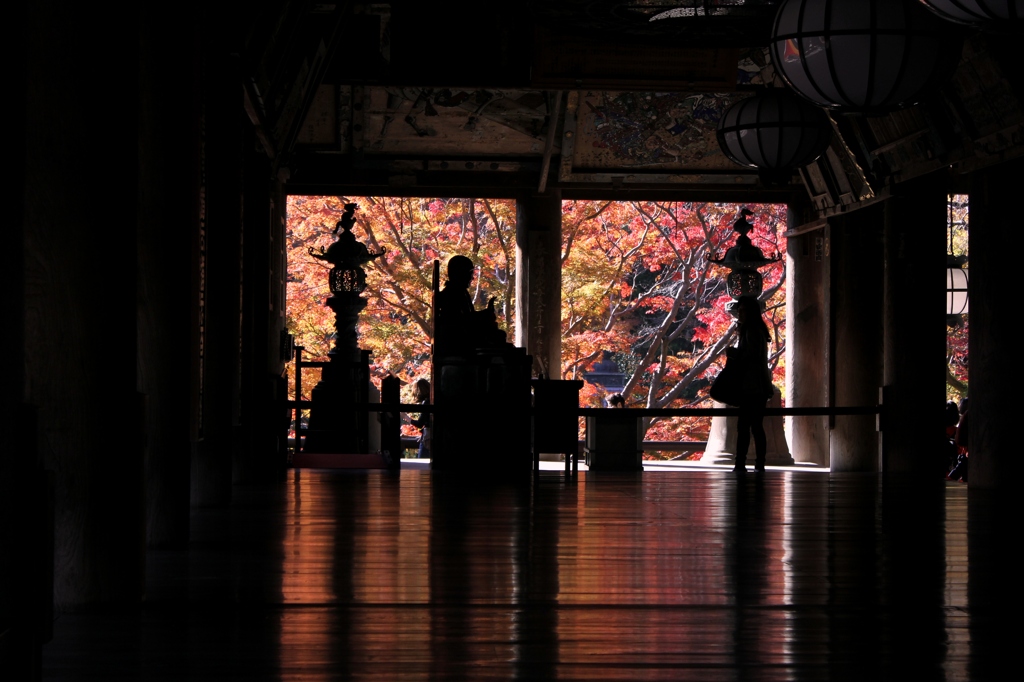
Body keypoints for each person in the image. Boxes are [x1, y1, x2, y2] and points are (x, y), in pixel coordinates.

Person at [728, 296, 773, 473]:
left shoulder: (751, 331)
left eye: (742, 310)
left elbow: (749, 357)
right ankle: (759, 464)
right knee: (756, 426)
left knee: (745, 427)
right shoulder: (758, 331)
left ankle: (741, 463)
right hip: (758, 385)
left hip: (751, 385)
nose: (740, 314)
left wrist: (734, 354)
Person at [434, 255, 506, 356]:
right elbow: (462, 322)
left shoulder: (461, 292)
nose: (472, 278)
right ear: (460, 273)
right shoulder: (452, 294)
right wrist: (484, 317)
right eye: (469, 273)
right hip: (458, 342)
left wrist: (485, 314)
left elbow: (468, 317)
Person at [410, 378, 431, 459]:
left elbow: (420, 424)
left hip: (427, 436)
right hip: (431, 434)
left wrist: (408, 419)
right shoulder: (432, 400)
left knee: (422, 460)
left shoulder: (426, 402)